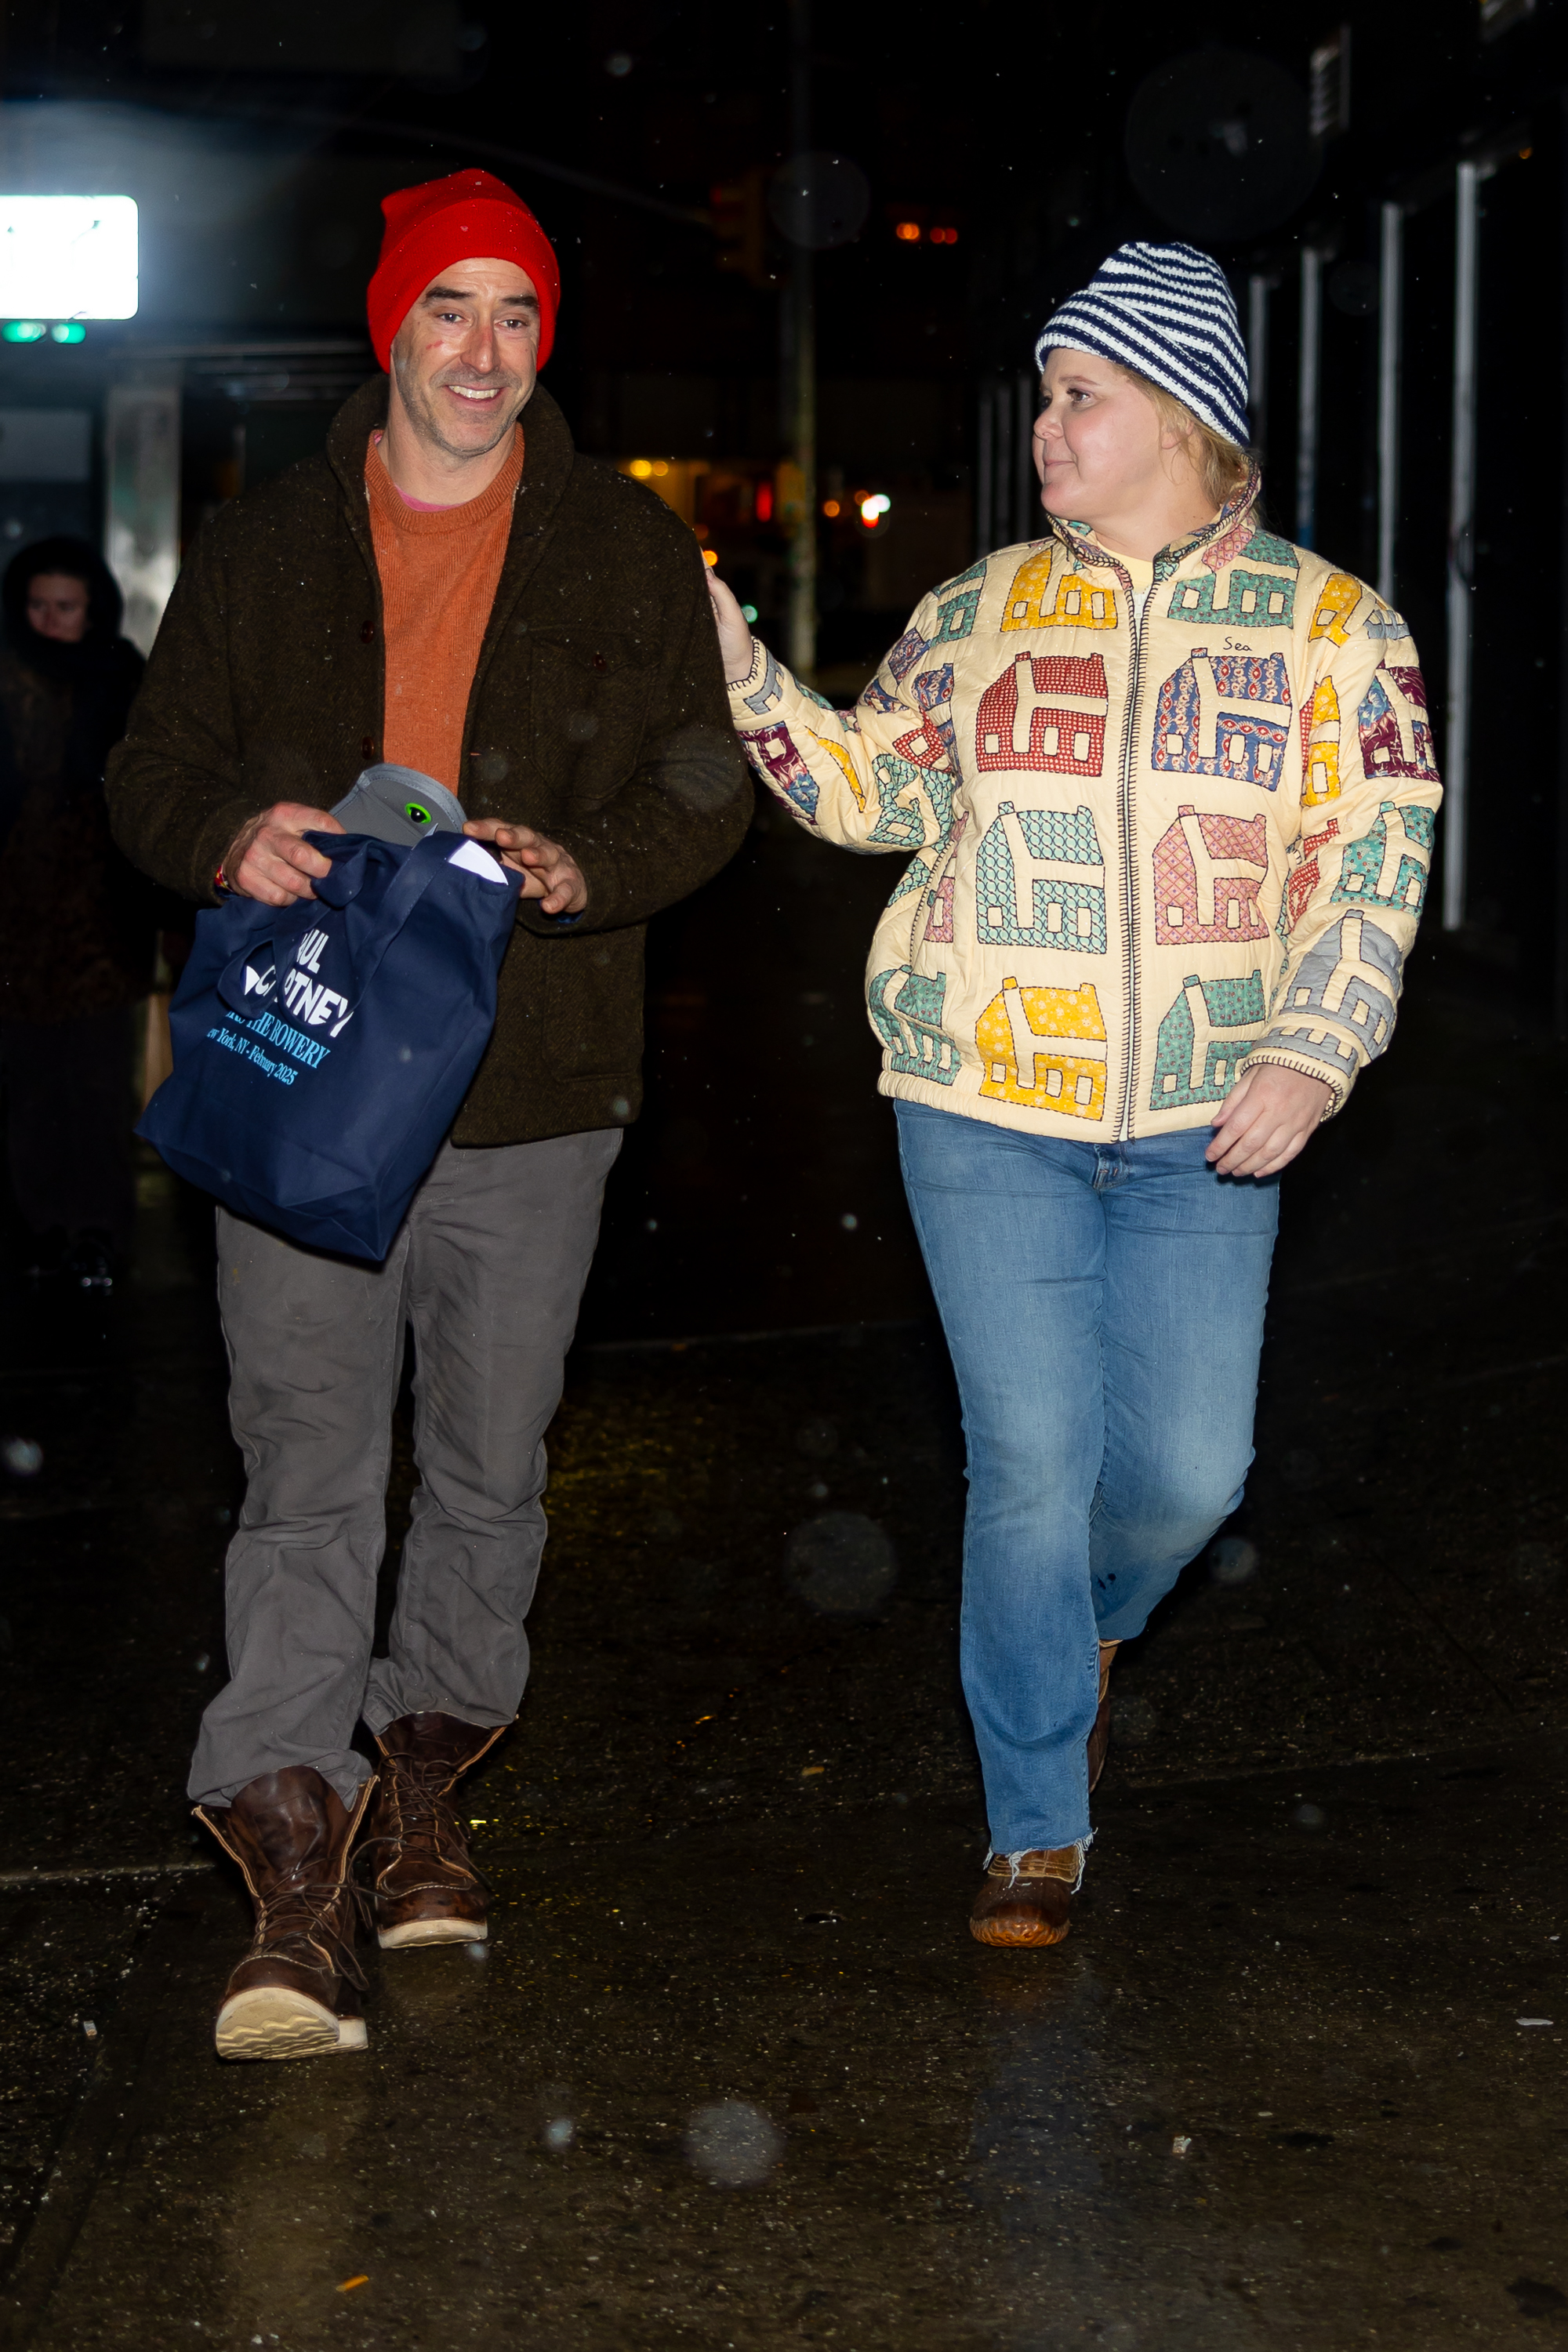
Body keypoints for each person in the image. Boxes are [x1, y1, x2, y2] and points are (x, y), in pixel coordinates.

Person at [709, 241, 1440, 1948]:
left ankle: (1081, 1629)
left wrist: (1312, 1047)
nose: (1046, 426)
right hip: (978, 1102)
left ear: (1181, 413)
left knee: (1188, 1476)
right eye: (1043, 394)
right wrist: (736, 663)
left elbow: (1376, 862)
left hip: (1211, 1122)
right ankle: (1035, 1818)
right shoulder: (974, 613)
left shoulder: (1343, 633)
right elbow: (862, 796)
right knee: (1027, 1464)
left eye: (1078, 394)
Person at [108, 168, 750, 2059]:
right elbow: (149, 768)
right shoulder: (265, 546)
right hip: (309, 1080)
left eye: (518, 316)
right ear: (392, 327)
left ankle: (427, 1784)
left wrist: (588, 860)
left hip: (531, 1086)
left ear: (545, 340)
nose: (483, 352)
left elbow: (702, 783)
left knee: (483, 1467)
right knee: (307, 1466)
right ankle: (294, 1876)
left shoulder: (622, 553)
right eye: (450, 310)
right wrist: (226, 830)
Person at [0, 537, 148, 1290]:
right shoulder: (6, 675)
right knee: (25, 1083)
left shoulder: (120, 677)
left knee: (92, 1084)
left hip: (99, 912)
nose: (51, 622)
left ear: (93, 609)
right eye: (37, 606)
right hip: (16, 911)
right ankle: (37, 1228)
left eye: (66, 607)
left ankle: (96, 1231)